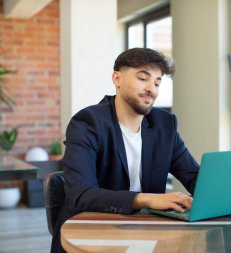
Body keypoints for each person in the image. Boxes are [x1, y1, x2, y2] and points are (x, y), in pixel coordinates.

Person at [51, 48, 200, 252]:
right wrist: (147, 199)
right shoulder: (87, 123)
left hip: (147, 232)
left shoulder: (165, 125)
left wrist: (223, 193)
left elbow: (194, 177)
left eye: (157, 82)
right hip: (91, 234)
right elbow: (81, 194)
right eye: (142, 78)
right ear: (117, 79)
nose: (152, 89)